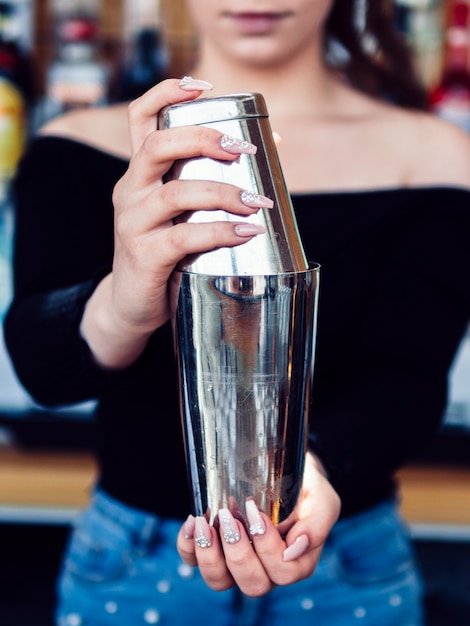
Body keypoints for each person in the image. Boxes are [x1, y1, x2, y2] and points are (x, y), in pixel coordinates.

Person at [4, 0, 470, 624]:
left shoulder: (436, 156)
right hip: (134, 570)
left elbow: (406, 378)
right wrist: (124, 299)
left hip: (349, 566)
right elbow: (43, 368)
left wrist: (301, 469)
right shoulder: (75, 147)